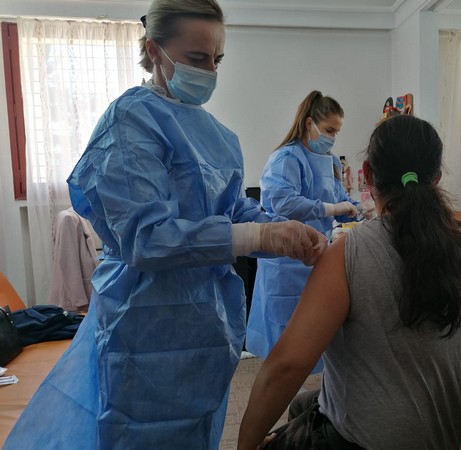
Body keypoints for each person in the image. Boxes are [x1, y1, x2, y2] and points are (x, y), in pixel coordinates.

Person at [4, 1, 326, 449]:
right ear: (155, 50)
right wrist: (258, 235)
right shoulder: (129, 121)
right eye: (197, 58)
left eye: (217, 60)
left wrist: (282, 231)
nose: (209, 71)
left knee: (198, 429)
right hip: (144, 325)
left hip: (206, 323)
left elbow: (233, 209)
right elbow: (146, 237)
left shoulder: (218, 136)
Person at [238, 114, 461, 450]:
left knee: (284, 424)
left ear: (367, 175)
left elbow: (286, 367)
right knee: (302, 405)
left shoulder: (348, 253)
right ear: (437, 178)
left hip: (364, 442)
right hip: (446, 436)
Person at [245, 91, 361, 373]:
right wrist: (330, 209)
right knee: (285, 343)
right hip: (286, 263)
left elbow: (339, 200)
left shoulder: (330, 162)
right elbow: (282, 203)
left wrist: (358, 209)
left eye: (337, 132)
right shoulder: (286, 158)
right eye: (329, 130)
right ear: (310, 123)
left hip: (316, 258)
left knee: (317, 337)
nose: (333, 137)